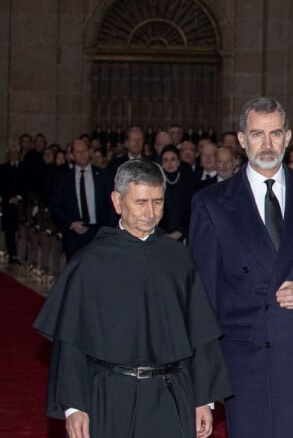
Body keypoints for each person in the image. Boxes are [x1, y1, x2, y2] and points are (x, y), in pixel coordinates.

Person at [189, 97, 293, 438]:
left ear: (288, 136)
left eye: (275, 133)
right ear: (241, 139)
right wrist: (202, 388)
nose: (267, 144)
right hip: (243, 355)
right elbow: (202, 298)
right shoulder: (212, 203)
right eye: (257, 134)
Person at [34, 159, 231, 438]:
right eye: (140, 202)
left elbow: (200, 333)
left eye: (158, 202)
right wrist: (74, 406)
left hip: (171, 392)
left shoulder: (178, 258)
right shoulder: (89, 263)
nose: (150, 212)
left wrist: (204, 399)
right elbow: (71, 342)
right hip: (110, 397)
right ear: (117, 201)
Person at [50, 138, 115, 261]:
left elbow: (111, 205)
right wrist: (70, 224)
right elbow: (55, 207)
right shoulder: (63, 178)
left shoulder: (103, 175)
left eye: (85, 151)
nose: (82, 154)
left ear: (89, 152)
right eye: (78, 152)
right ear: (72, 155)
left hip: (98, 232)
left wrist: (107, 229)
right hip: (74, 234)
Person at [158, 145, 194, 242]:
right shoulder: (157, 183)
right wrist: (162, 233)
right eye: (166, 160)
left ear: (178, 162)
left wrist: (181, 231)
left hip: (184, 234)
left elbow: (191, 209)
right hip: (161, 235)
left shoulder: (187, 181)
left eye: (173, 159)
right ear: (162, 164)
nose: (169, 163)